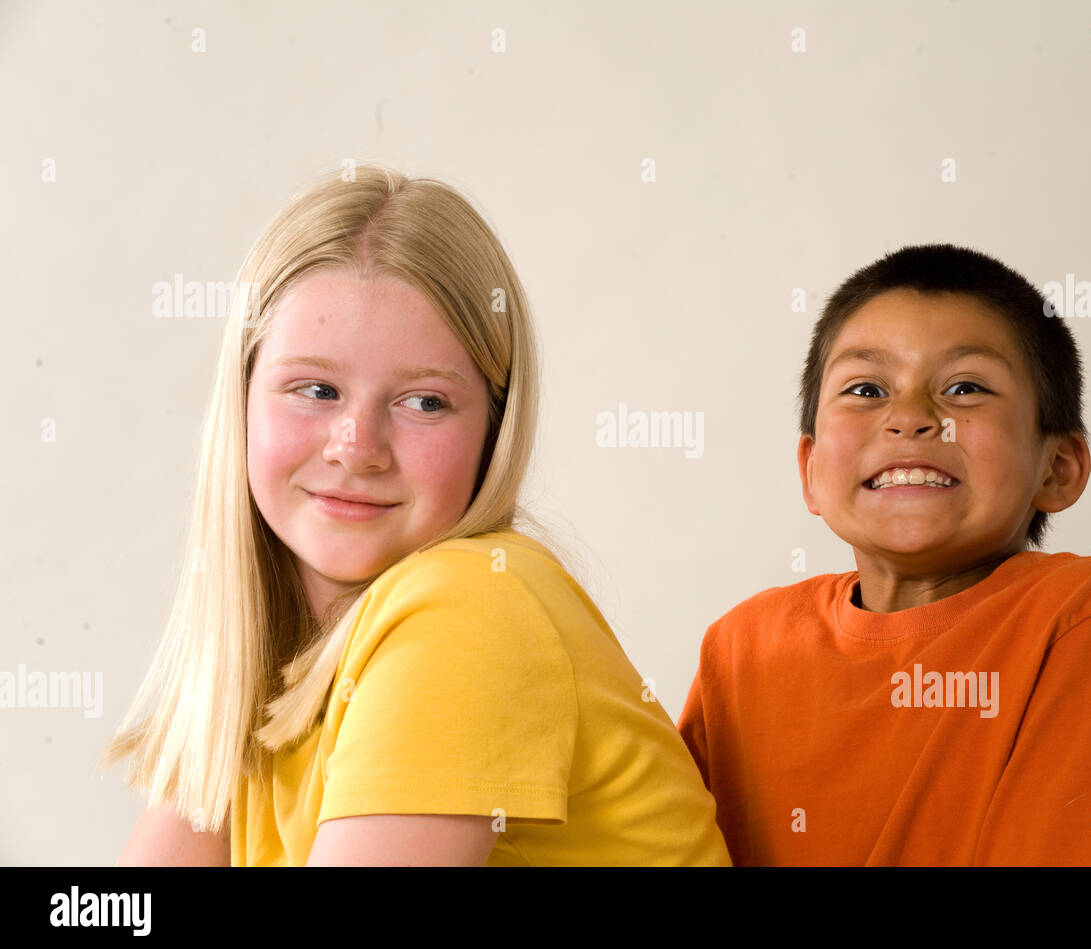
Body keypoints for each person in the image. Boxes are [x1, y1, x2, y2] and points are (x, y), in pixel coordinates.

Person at [106, 163, 731, 866]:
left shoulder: (470, 606)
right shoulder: (264, 660)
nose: (358, 447)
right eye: (315, 389)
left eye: (424, 402)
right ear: (241, 398)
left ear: (492, 431)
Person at [677, 243, 1091, 865]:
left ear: (1056, 468)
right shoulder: (740, 648)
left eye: (965, 388)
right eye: (866, 388)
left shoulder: (1080, 614)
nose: (912, 418)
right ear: (811, 471)